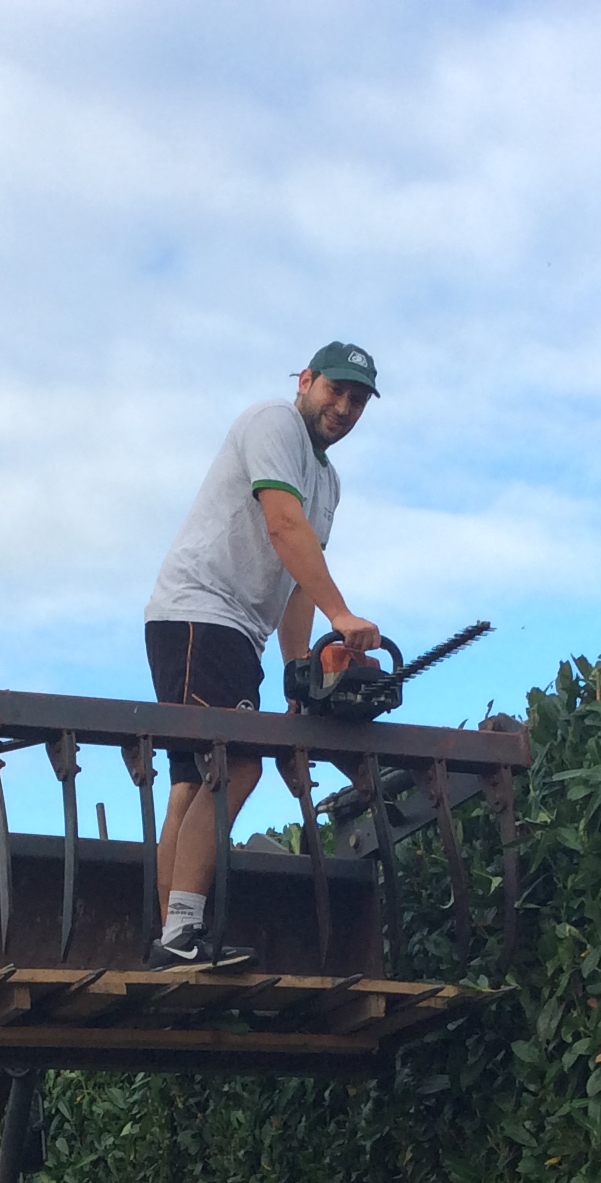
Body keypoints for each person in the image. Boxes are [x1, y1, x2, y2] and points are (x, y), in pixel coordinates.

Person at [141, 341, 384, 970]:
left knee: (193, 782)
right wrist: (345, 616)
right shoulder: (273, 423)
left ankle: (168, 936)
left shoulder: (328, 482)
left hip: (230, 630)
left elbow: (297, 580)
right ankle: (180, 934)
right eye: (335, 390)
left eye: (357, 399)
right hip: (201, 613)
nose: (344, 406)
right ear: (306, 380)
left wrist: (300, 679)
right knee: (240, 761)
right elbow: (282, 528)